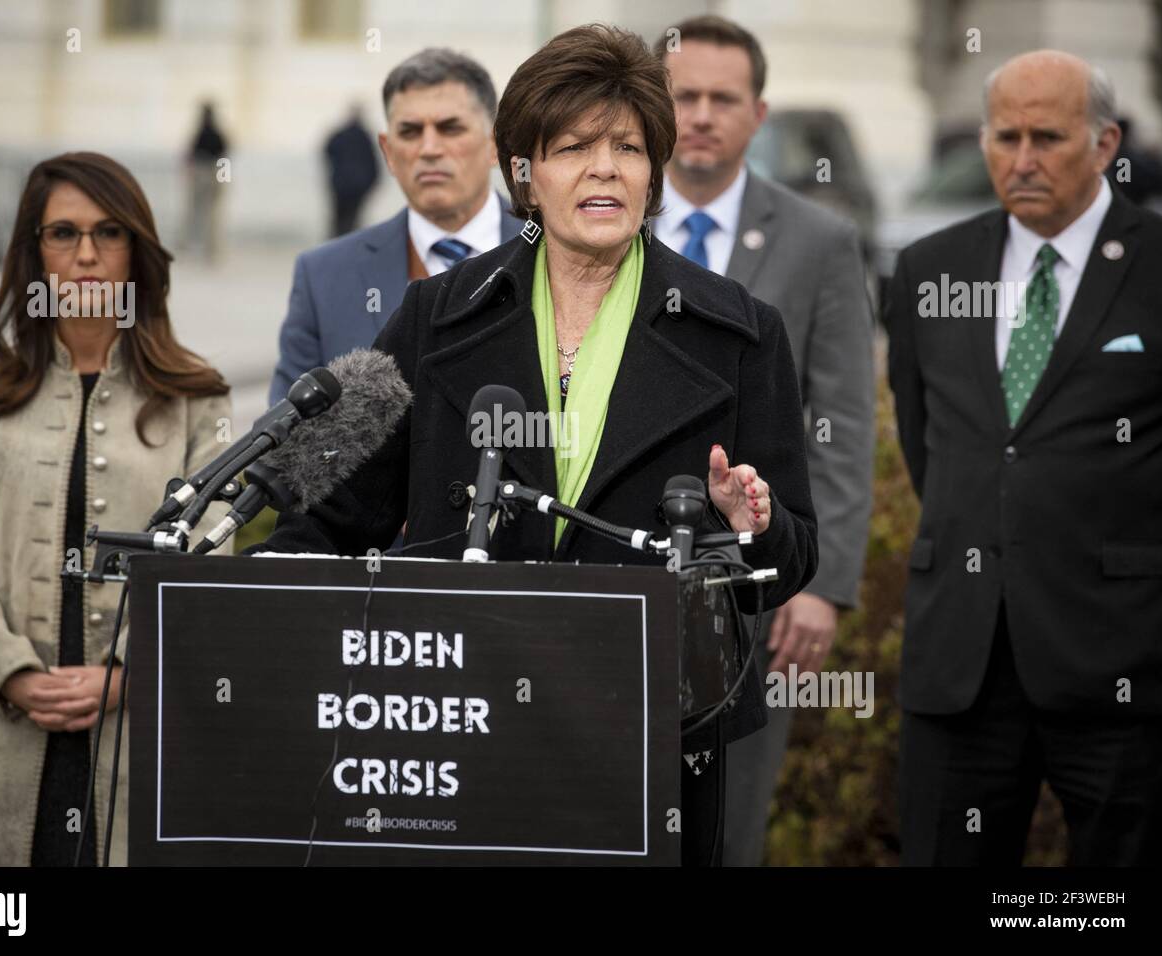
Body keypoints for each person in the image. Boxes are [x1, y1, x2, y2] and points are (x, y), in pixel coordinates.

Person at [253, 24, 818, 866]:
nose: (604, 169)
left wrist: (750, 525)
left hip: (648, 731)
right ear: (525, 172)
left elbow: (794, 554)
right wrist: (254, 602)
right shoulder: (437, 315)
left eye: (629, 147)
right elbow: (336, 516)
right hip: (459, 720)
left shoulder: (736, 333)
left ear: (655, 172)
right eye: (574, 147)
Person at [886, 51, 1162, 865]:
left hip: (1124, 662)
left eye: (1047, 137)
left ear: (1106, 141)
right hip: (961, 665)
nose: (1021, 160)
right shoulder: (928, 269)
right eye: (1004, 136)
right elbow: (931, 446)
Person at [0, 152, 233, 866]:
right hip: (5, 728)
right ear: (33, 252)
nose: (86, 254)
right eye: (63, 233)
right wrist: (9, 671)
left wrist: (126, 674)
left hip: (138, 733)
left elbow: (210, 553)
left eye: (109, 232)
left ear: (136, 251)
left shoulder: (194, 394)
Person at [656, 14, 875, 867]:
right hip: (615, 575)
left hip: (755, 592)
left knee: (729, 832)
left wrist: (824, 586)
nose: (703, 114)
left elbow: (845, 418)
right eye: (685, 97)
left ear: (760, 112)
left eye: (724, 97)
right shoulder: (597, 226)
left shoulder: (821, 242)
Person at [268, 48, 523, 403]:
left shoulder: (557, 252)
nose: (429, 149)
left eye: (451, 128)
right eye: (411, 131)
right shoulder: (323, 277)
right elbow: (285, 444)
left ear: (494, 143)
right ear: (388, 151)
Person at [324, 104, 379, 237]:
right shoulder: (364, 137)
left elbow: (328, 149)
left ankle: (338, 243)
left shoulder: (342, 134)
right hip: (355, 185)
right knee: (351, 219)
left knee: (340, 219)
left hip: (343, 184)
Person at [184, 101, 228, 262]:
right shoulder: (217, 133)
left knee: (198, 213)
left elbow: (191, 157)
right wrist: (224, 180)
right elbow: (224, 156)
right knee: (210, 214)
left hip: (203, 173)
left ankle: (197, 246)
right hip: (213, 173)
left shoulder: (201, 133)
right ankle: (207, 248)